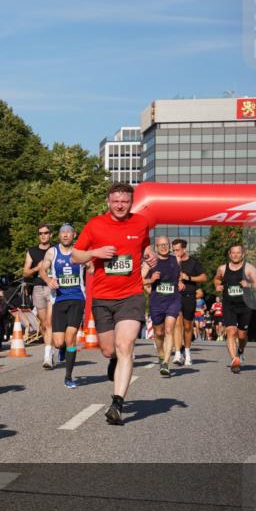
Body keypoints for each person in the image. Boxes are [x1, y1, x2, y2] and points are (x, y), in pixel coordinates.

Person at [72, 182, 157, 425]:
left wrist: (149, 252)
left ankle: (117, 403)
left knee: (125, 345)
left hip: (131, 295)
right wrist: (94, 253)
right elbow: (76, 255)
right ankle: (113, 361)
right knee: (109, 350)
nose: (120, 205)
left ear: (131, 202)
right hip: (102, 297)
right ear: (108, 201)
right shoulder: (95, 224)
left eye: (125, 201)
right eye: (116, 201)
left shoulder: (141, 223)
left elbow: (144, 244)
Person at [39, 222, 86, 389]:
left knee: (71, 336)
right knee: (59, 342)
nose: (66, 235)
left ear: (74, 235)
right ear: (59, 236)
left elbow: (92, 266)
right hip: (59, 299)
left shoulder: (79, 251)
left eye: (69, 232)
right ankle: (62, 349)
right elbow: (42, 270)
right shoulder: (52, 252)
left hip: (77, 298)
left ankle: (68, 376)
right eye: (63, 232)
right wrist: (49, 280)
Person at [213, 244, 256, 374]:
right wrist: (217, 286)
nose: (235, 255)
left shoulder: (249, 268)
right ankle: (234, 359)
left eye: (238, 253)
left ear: (243, 254)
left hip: (245, 306)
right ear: (229, 254)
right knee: (231, 332)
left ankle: (240, 350)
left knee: (242, 335)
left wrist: (248, 284)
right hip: (229, 306)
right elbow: (217, 279)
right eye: (233, 253)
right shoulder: (223, 268)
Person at [142, 236, 181, 377]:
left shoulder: (176, 259)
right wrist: (150, 280)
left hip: (173, 299)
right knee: (159, 333)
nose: (164, 247)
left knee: (169, 328)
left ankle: (165, 363)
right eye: (161, 245)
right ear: (156, 247)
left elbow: (179, 275)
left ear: (169, 246)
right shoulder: (150, 262)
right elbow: (140, 280)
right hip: (156, 301)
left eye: (166, 244)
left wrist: (181, 282)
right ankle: (161, 354)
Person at [170, 238, 207, 366]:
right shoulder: (171, 262)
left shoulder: (193, 262)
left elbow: (204, 277)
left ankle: (187, 352)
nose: (175, 252)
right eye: (173, 250)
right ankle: (177, 354)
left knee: (187, 326)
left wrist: (188, 277)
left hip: (189, 296)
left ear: (184, 249)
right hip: (175, 296)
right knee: (177, 324)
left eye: (177, 250)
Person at [24, 225, 55, 368]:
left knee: (49, 323)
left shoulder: (56, 250)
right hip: (38, 288)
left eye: (46, 233)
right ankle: (51, 348)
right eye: (40, 233)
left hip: (52, 287)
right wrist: (38, 268)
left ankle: (47, 356)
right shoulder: (32, 251)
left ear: (51, 235)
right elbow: (25, 273)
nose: (43, 235)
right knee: (43, 323)